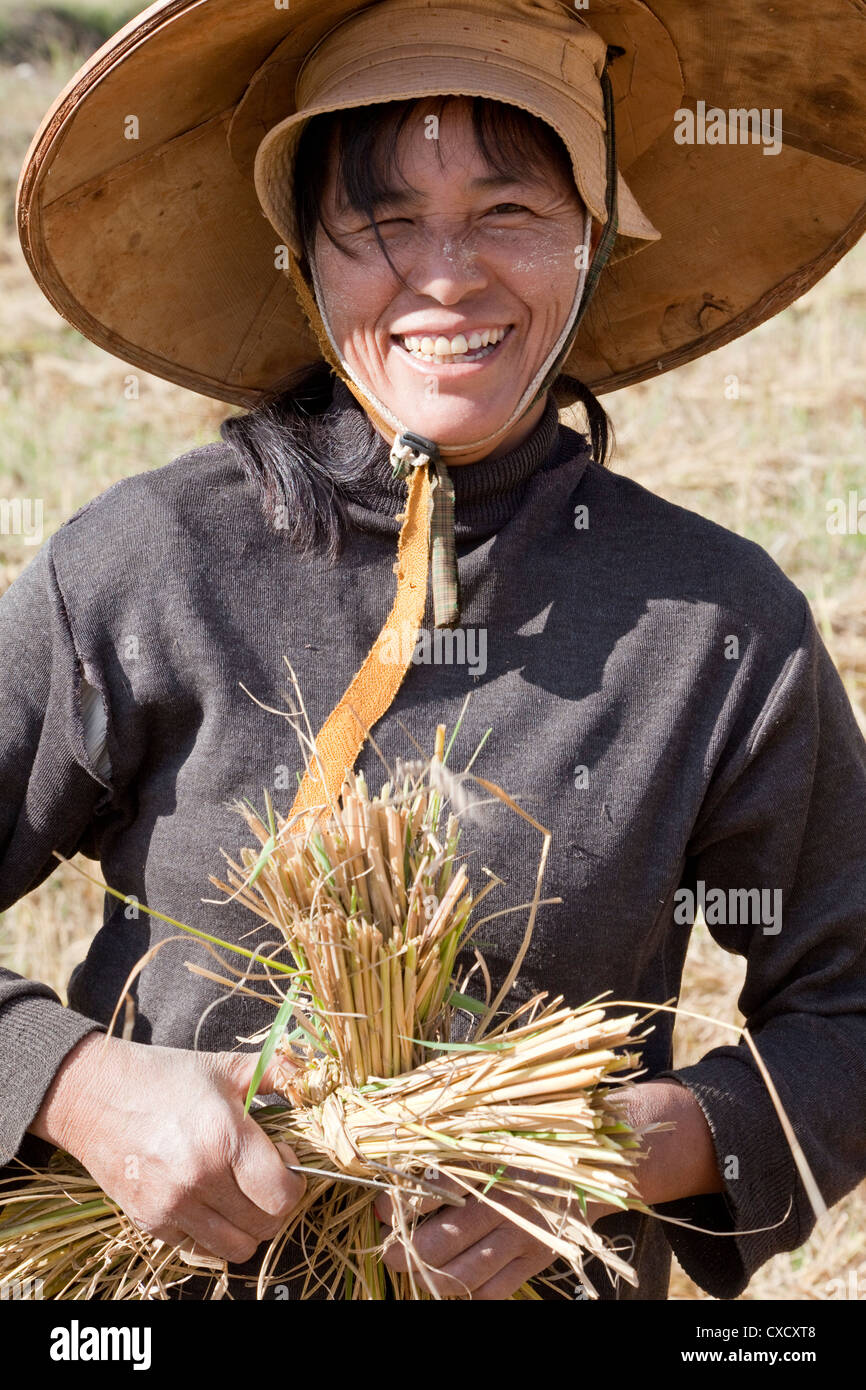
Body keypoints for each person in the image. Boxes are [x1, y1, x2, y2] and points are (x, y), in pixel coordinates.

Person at [2, 0, 866, 1301]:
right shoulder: (143, 569)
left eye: (509, 211)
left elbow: (846, 1012)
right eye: (381, 219)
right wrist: (74, 1082)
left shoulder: (717, 627)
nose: (445, 273)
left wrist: (601, 1149)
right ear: (303, 252)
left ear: (591, 240)